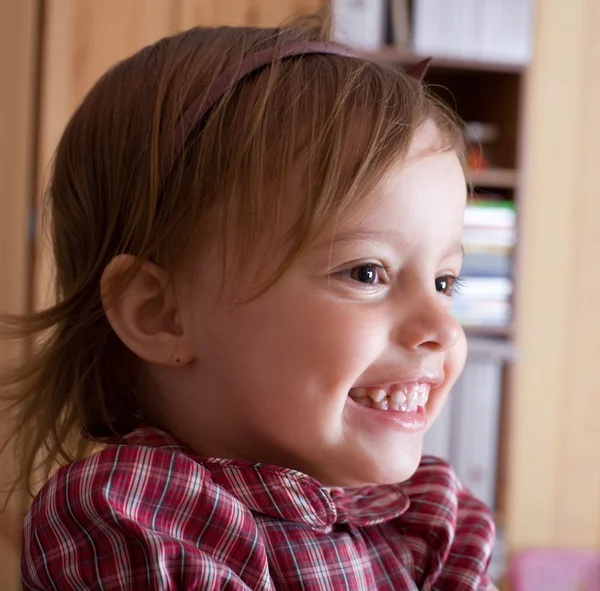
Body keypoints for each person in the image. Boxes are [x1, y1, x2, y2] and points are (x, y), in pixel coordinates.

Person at [3, 16, 496, 591]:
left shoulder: (431, 519)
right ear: (159, 314)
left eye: (444, 282)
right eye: (367, 273)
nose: (441, 328)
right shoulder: (130, 516)